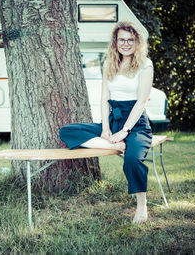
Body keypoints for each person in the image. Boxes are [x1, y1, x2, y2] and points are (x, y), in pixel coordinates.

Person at [59, 21, 153, 223]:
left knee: (133, 159)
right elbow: (104, 99)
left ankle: (141, 205)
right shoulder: (109, 64)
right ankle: (115, 144)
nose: (126, 44)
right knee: (67, 131)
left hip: (136, 124)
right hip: (114, 120)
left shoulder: (145, 64)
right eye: (121, 40)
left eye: (130, 39)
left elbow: (141, 101)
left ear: (137, 42)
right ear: (115, 42)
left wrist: (126, 130)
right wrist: (106, 128)